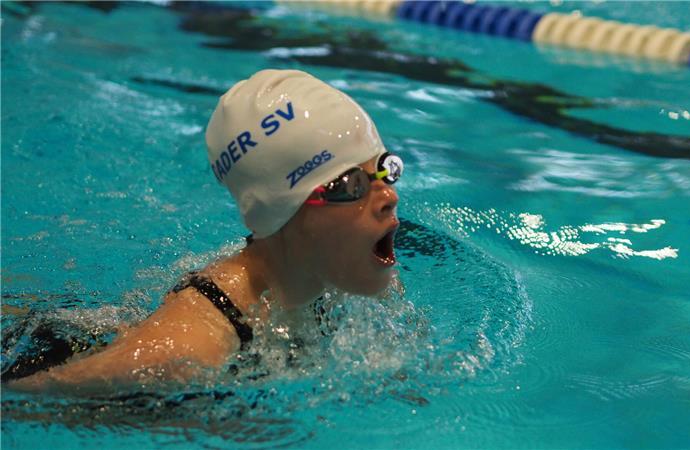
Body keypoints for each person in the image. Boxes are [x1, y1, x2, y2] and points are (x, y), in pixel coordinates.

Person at [6, 69, 403, 394]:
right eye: (349, 185)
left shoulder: (344, 268)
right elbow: (20, 401)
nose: (387, 196)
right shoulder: (186, 349)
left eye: (385, 169)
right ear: (278, 209)